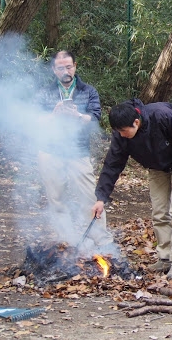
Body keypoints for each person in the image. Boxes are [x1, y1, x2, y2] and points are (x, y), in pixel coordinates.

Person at [91, 98, 172, 280]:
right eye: (118, 131)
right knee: (159, 212)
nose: (121, 135)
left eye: (124, 131)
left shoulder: (161, 115)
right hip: (156, 167)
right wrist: (101, 197)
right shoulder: (121, 135)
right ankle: (165, 257)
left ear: (136, 122)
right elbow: (112, 164)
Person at [37, 50, 114, 254]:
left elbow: (96, 116)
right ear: (54, 70)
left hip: (78, 151)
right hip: (50, 151)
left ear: (75, 66)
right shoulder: (44, 92)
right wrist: (54, 115)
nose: (66, 71)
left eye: (69, 66)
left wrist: (79, 115)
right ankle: (67, 239)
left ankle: (101, 239)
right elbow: (35, 120)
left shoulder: (88, 91)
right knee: (56, 197)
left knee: (89, 196)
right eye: (61, 67)